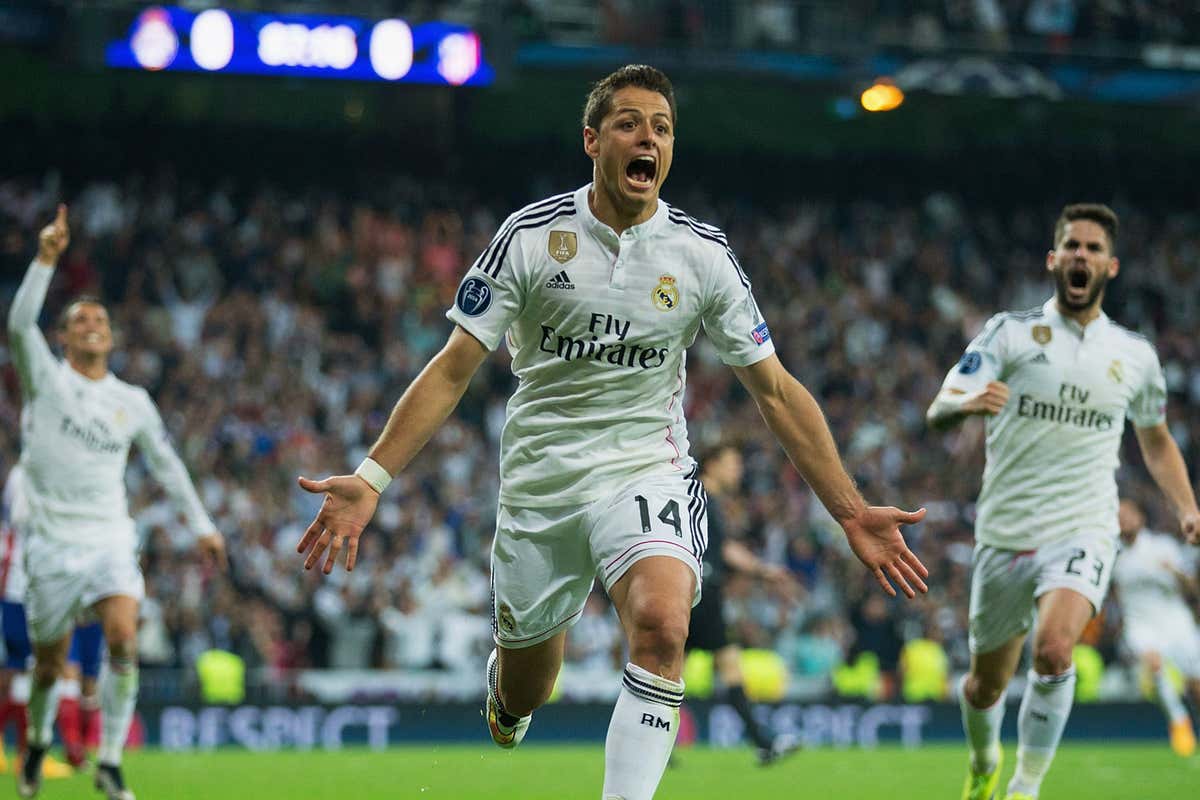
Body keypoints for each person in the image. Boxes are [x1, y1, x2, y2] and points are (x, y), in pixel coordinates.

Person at [297, 64, 928, 800]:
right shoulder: (531, 237)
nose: (648, 138)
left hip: (644, 467)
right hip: (542, 481)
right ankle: (509, 688)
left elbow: (777, 392)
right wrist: (371, 479)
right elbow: (450, 369)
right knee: (531, 688)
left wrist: (850, 510)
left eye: (662, 128)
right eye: (630, 123)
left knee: (663, 626)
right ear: (592, 140)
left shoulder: (701, 255)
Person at [926, 203, 1200, 800]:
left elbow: (1155, 442)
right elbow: (938, 409)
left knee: (1053, 652)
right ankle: (983, 763)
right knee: (983, 688)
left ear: (1112, 265)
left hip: (1084, 526)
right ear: (1054, 260)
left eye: (1093, 248)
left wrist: (1186, 505)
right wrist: (964, 407)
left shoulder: (1135, 355)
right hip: (1005, 532)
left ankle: (1025, 788)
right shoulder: (1010, 332)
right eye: (1072, 246)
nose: (1082, 256)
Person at [8, 205, 227, 800]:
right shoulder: (46, 381)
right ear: (64, 336)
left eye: (99, 318)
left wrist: (203, 526)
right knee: (49, 666)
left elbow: (167, 465)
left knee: (124, 639)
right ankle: (37, 741)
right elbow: (18, 325)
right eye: (80, 319)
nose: (91, 324)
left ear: (111, 334)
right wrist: (46, 259)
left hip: (108, 535)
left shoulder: (133, 400)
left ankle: (108, 761)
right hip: (52, 542)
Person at [683, 441, 800, 765]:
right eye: (733, 462)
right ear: (713, 463)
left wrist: (764, 571)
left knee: (667, 673)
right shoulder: (700, 496)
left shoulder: (702, 497)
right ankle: (763, 741)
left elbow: (723, 549)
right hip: (701, 591)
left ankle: (652, 747)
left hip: (692, 589)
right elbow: (722, 552)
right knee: (728, 665)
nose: (739, 469)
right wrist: (765, 570)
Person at [0, 465, 105, 773]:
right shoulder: (26, 474)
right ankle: (29, 752)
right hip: (24, 587)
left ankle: (38, 751)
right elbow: (25, 519)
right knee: (24, 669)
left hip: (44, 585)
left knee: (35, 669)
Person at [1111, 498, 1200, 757]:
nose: (1123, 519)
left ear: (1141, 517)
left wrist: (1174, 572)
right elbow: (1113, 593)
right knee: (1154, 663)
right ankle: (1178, 720)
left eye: (1128, 514)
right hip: (1140, 625)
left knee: (1195, 685)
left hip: (1175, 621)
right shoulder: (1112, 554)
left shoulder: (1163, 546)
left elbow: (1192, 589)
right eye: (1118, 516)